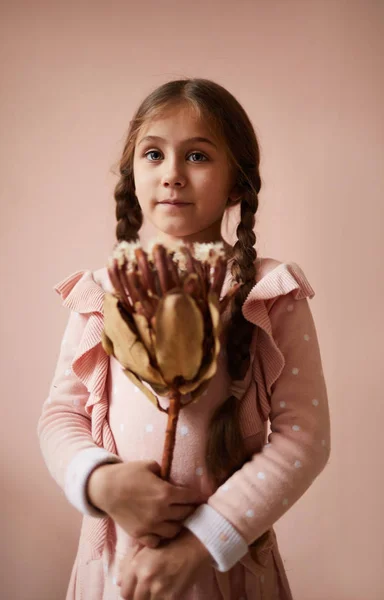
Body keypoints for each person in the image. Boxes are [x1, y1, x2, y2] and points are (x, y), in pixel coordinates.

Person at [37, 78, 331, 600]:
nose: (172, 174)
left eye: (196, 156)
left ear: (238, 183)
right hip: (114, 570)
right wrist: (99, 481)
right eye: (154, 154)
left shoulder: (267, 292)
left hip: (226, 573)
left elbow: (303, 439)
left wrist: (203, 541)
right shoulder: (103, 293)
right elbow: (62, 415)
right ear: (133, 173)